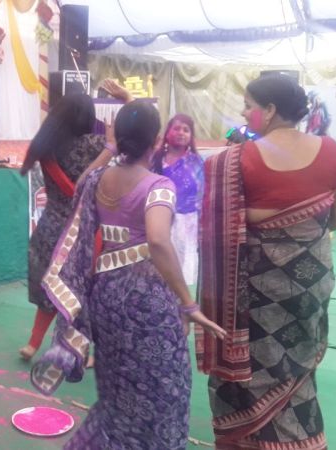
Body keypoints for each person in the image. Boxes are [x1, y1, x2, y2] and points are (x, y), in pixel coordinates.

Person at [30, 100, 225, 449]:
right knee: (164, 391)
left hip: (105, 294)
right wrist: (188, 303)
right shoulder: (158, 186)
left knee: (116, 388)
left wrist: (109, 149)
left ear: (117, 136)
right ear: (156, 140)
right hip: (147, 298)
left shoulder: (96, 180)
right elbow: (158, 240)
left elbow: (83, 181)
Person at [198, 74, 336, 449]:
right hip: (311, 284)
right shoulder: (331, 150)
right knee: (297, 369)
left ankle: (247, 440)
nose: (243, 112)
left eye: (248, 105)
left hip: (256, 291)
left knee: (252, 369)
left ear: (268, 110)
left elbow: (224, 230)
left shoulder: (238, 160)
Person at [17, 93, 106, 362]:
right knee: (81, 293)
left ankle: (33, 343)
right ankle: (83, 351)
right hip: (83, 230)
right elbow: (133, 138)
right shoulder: (95, 145)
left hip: (51, 227)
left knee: (50, 289)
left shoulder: (46, 146)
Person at [152, 113, 203, 285]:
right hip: (160, 219)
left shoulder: (196, 163)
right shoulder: (155, 160)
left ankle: (183, 298)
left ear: (191, 137)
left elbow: (202, 194)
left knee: (184, 268)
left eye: (186, 130)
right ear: (167, 133)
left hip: (188, 222)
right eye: (176, 128)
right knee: (160, 267)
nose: (181, 132)